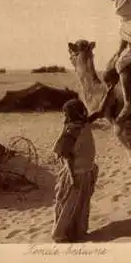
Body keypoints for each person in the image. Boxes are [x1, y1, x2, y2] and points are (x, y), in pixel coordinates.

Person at [51, 99, 99, 243]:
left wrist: (110, 90)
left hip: (84, 171)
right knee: (69, 205)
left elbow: (98, 113)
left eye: (65, 114)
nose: (64, 117)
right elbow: (66, 156)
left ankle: (75, 232)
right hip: (76, 174)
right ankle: (59, 234)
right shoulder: (72, 130)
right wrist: (72, 178)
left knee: (79, 204)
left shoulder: (82, 125)